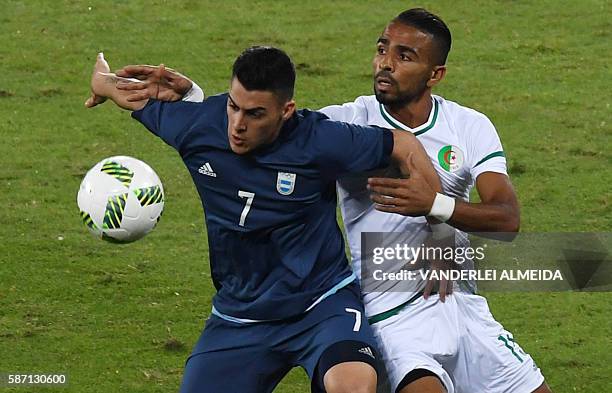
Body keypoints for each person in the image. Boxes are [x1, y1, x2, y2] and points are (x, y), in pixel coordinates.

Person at [111, 8, 556, 393]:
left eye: (405, 56)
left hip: (464, 303)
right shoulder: (348, 121)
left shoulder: (469, 125)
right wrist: (193, 99)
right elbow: (269, 129)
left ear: (435, 74)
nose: (385, 63)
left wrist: (439, 215)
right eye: (383, 49)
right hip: (393, 311)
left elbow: (507, 219)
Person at [86, 46, 442, 393]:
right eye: (233, 106)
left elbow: (405, 145)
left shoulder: (319, 140)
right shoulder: (200, 127)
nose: (237, 125)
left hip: (321, 305)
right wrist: (101, 78)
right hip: (240, 317)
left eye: (254, 114)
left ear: (286, 110)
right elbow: (114, 87)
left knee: (354, 385)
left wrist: (441, 230)